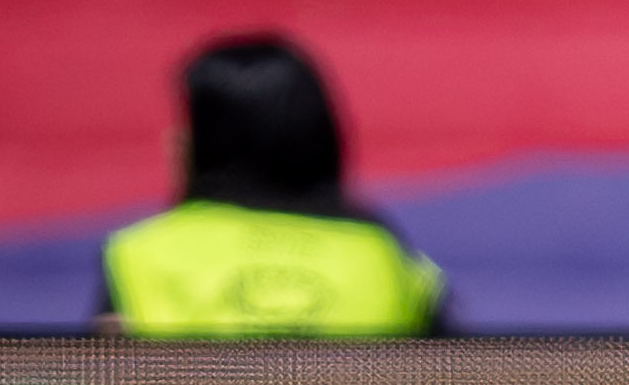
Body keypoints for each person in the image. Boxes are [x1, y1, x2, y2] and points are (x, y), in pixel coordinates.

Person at [97, 34, 447, 338]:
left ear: (207, 142)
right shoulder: (385, 256)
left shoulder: (139, 256)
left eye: (187, 125)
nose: (173, 140)